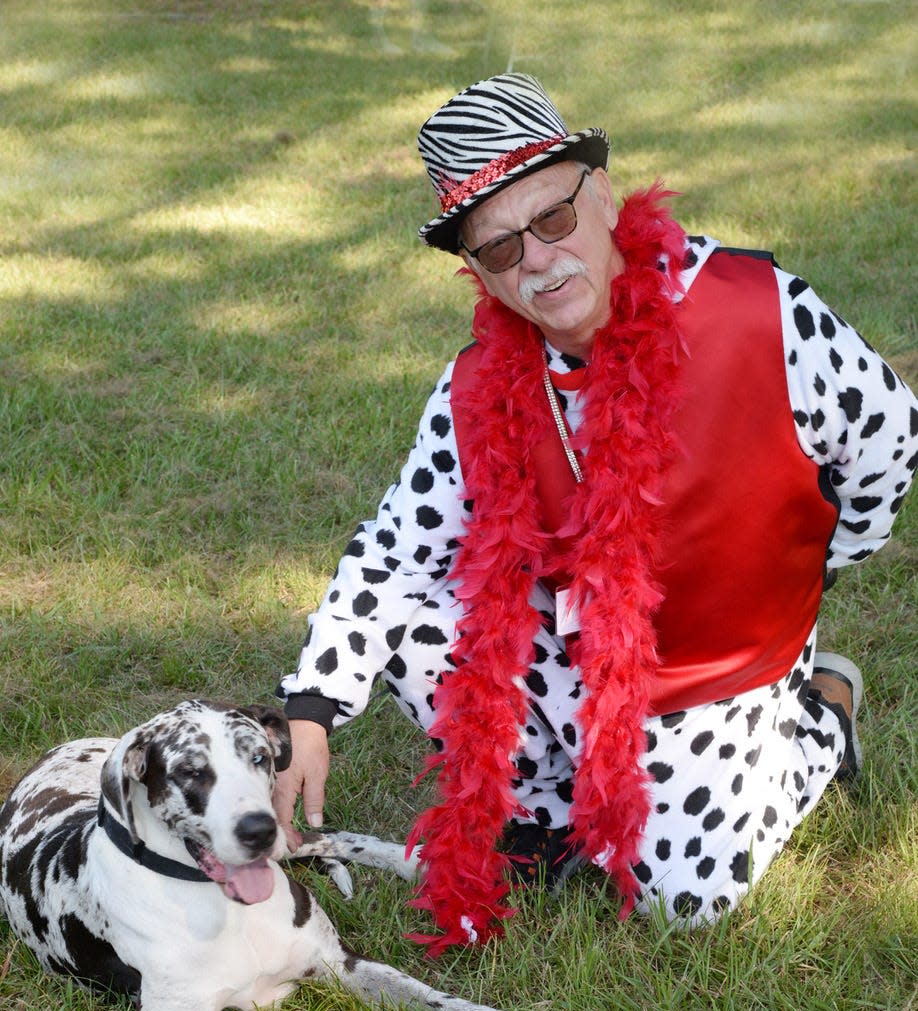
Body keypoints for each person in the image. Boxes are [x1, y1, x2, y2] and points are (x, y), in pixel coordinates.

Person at [274, 73, 917, 954]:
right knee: (422, 634)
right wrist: (309, 708)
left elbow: (887, 441)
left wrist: (815, 560)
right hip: (569, 639)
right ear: (476, 273)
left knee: (682, 901)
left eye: (552, 219)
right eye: (500, 249)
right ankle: (545, 807)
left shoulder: (759, 311)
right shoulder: (476, 385)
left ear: (603, 194)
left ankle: (816, 718)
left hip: (717, 656)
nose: (537, 260)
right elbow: (397, 547)